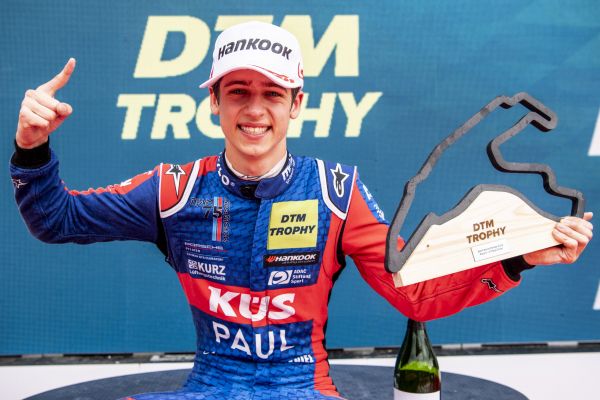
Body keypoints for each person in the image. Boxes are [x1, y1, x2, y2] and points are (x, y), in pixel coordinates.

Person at [10, 21, 593, 400]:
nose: (254, 110)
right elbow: (58, 220)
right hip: (210, 387)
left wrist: (519, 260)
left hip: (303, 389)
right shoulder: (174, 191)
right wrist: (32, 151)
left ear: (296, 104)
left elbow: (414, 295)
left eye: (272, 94)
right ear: (214, 102)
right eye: (238, 92)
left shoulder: (336, 193)